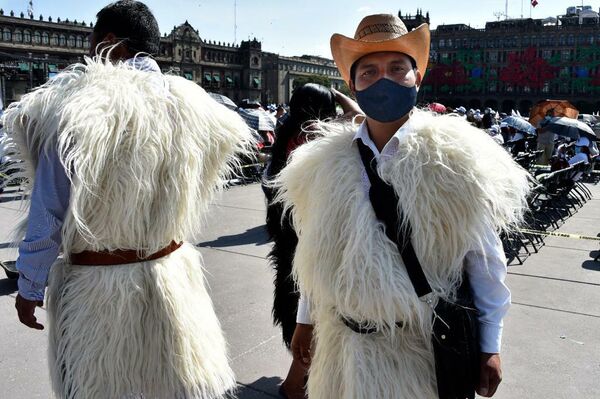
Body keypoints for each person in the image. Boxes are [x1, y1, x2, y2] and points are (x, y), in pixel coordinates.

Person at [1, 1, 253, 398]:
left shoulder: (79, 108)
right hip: (172, 278)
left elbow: (49, 211)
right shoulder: (197, 109)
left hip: (98, 292)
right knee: (171, 385)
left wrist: (30, 286)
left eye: (92, 44)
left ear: (109, 43)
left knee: (100, 385)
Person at [275, 14, 530, 399]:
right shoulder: (321, 166)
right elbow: (317, 253)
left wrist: (490, 345)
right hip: (341, 351)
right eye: (369, 72)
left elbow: (484, 261)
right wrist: (305, 320)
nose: (383, 80)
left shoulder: (456, 161)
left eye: (397, 68)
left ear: (417, 77)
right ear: (352, 84)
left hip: (415, 354)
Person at [263, 83, 339, 399]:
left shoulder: (286, 139)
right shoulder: (315, 143)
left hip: (288, 245)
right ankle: (297, 386)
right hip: (310, 246)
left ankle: (297, 384)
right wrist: (342, 102)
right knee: (314, 320)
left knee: (302, 319)